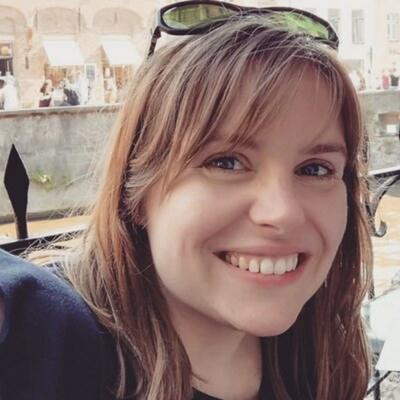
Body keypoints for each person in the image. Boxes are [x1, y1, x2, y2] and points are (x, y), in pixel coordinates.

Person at [0, 3, 373, 400]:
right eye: (226, 162)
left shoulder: (318, 357)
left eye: (315, 169)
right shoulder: (42, 334)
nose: (282, 212)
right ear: (136, 191)